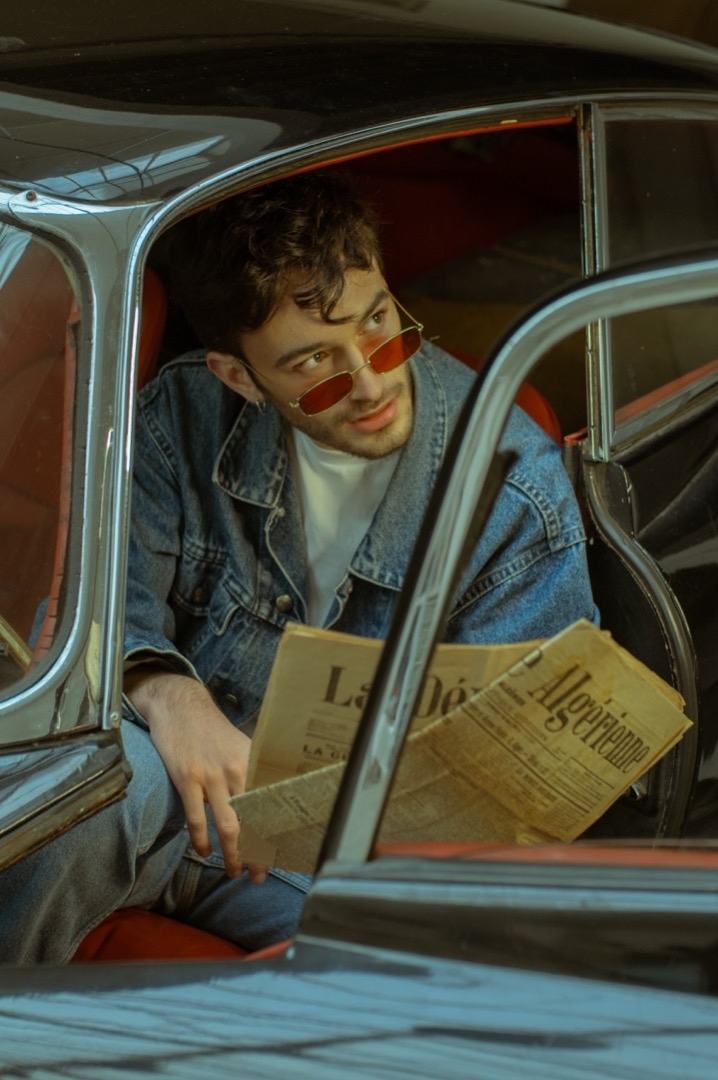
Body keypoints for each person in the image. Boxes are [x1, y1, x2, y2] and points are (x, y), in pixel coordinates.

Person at [0, 171, 596, 963]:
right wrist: (169, 692)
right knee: (69, 801)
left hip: (334, 856)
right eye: (318, 365)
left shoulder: (514, 493)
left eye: (380, 324)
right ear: (239, 377)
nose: (373, 383)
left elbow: (517, 783)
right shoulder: (184, 411)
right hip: (174, 785)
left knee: (426, 961)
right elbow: (94, 601)